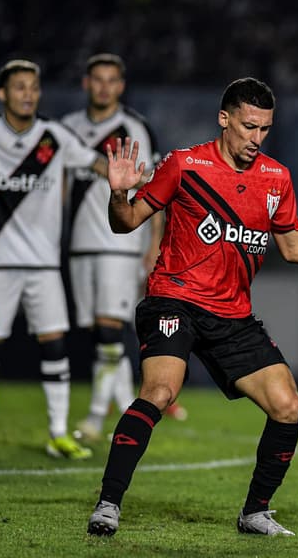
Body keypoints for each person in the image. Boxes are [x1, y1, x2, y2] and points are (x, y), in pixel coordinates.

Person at [86, 77, 298, 538]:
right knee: (161, 391)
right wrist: (118, 192)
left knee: (288, 406)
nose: (256, 139)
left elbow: (295, 246)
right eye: (248, 127)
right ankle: (108, 503)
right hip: (174, 299)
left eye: (264, 129)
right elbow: (125, 225)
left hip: (232, 315)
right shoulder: (184, 165)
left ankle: (255, 512)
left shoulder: (275, 177)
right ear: (224, 119)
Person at [0, 59, 107, 460]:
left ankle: (57, 434)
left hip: (44, 266)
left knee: (55, 346)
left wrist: (132, 177)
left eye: (33, 87)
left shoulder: (54, 137)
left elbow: (98, 164)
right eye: (19, 87)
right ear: (2, 93)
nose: (28, 94)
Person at [60, 53, 183, 443]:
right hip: (80, 245)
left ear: (121, 85)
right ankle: (129, 403)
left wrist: (153, 244)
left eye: (112, 80)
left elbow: (152, 190)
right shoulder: (67, 128)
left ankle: (97, 418)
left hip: (120, 246)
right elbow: (62, 190)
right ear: (86, 83)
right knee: (100, 332)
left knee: (111, 331)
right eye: (97, 79)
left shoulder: (133, 128)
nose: (104, 87)